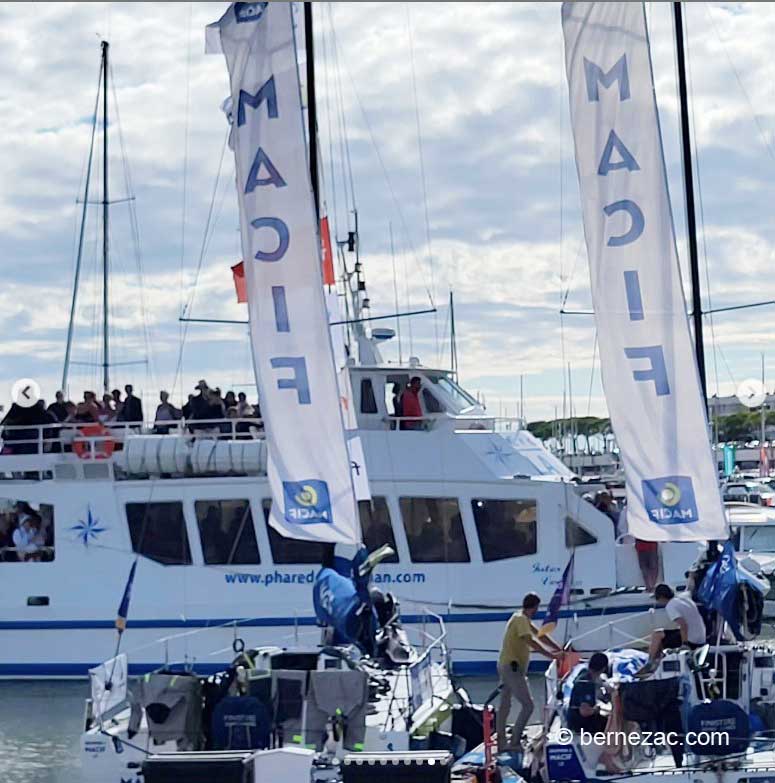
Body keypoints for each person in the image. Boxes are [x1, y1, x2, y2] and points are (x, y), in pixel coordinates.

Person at [496, 592, 563, 752]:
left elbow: (540, 635)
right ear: (534, 607)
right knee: (528, 705)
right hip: (512, 669)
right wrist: (551, 655)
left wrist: (558, 648)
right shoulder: (520, 620)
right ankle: (513, 743)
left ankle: (501, 741)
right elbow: (530, 640)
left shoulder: (521, 618)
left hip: (506, 665)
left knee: (505, 704)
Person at [639, 584, 706, 676]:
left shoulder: (671, 606)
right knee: (666, 634)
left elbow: (683, 624)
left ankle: (650, 663)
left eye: (657, 598)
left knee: (657, 634)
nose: (657, 601)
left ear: (662, 597)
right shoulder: (684, 598)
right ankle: (658, 661)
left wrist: (685, 644)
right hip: (701, 638)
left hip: (691, 641)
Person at [568, 652, 610, 734]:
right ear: (604, 668)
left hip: (573, 716)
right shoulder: (587, 684)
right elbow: (585, 712)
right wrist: (597, 710)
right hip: (580, 723)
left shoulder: (584, 672)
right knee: (612, 722)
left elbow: (599, 681)